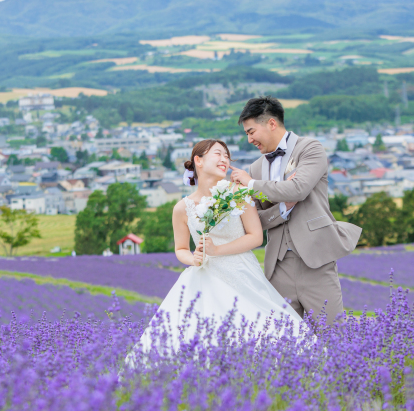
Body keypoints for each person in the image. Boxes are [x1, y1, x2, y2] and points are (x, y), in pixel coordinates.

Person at [128, 139, 303, 360]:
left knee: (260, 329)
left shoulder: (239, 194)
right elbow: (181, 248)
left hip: (242, 273)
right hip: (203, 277)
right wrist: (194, 259)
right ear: (198, 161)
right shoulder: (182, 207)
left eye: (227, 155)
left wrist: (217, 250)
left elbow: (256, 237)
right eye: (218, 154)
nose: (224, 159)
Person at [230, 96, 361, 325]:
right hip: (277, 267)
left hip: (316, 260)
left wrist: (251, 184)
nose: (249, 139)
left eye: (251, 132)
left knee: (333, 336)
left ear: (271, 123)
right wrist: (282, 209)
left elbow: (298, 189)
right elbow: (256, 221)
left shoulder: (310, 148)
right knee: (285, 343)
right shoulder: (256, 167)